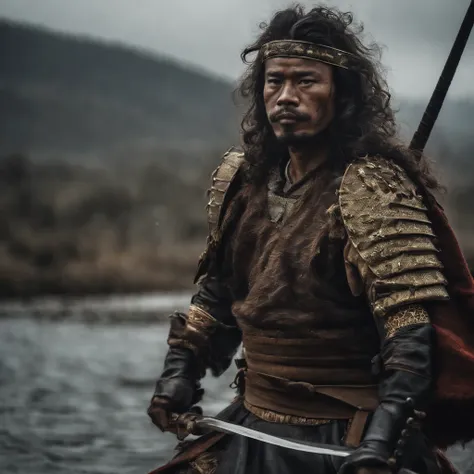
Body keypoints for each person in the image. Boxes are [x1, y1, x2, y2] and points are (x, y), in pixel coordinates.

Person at [147, 5, 474, 474]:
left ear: (340, 95)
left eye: (306, 81)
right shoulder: (242, 181)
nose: (285, 96)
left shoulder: (373, 190)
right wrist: (179, 375)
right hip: (251, 420)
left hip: (345, 433)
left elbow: (411, 335)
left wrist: (380, 441)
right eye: (274, 81)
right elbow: (218, 294)